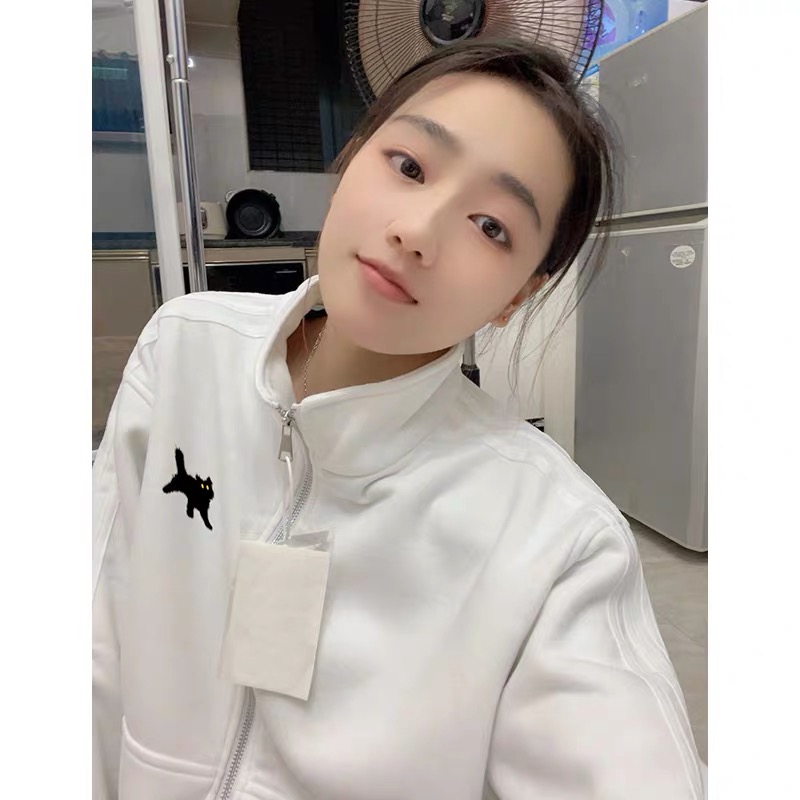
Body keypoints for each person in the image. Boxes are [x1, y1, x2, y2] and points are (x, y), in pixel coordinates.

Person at [93, 37, 705, 800]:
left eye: (492, 226)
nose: (417, 231)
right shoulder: (184, 349)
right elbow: (94, 635)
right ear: (350, 159)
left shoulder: (556, 535)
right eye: (409, 166)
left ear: (518, 294)